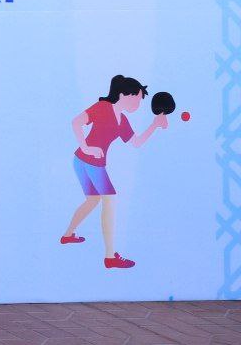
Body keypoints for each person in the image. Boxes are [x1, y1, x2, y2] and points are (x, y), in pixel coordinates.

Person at [62, 75, 168, 268]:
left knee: (93, 200)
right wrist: (87, 148)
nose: (138, 103)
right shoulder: (102, 107)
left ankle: (68, 235)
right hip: (90, 162)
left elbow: (136, 142)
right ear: (123, 94)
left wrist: (154, 125)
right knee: (109, 200)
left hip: (81, 161)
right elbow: (76, 122)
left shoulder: (122, 121)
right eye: (137, 98)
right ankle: (110, 257)